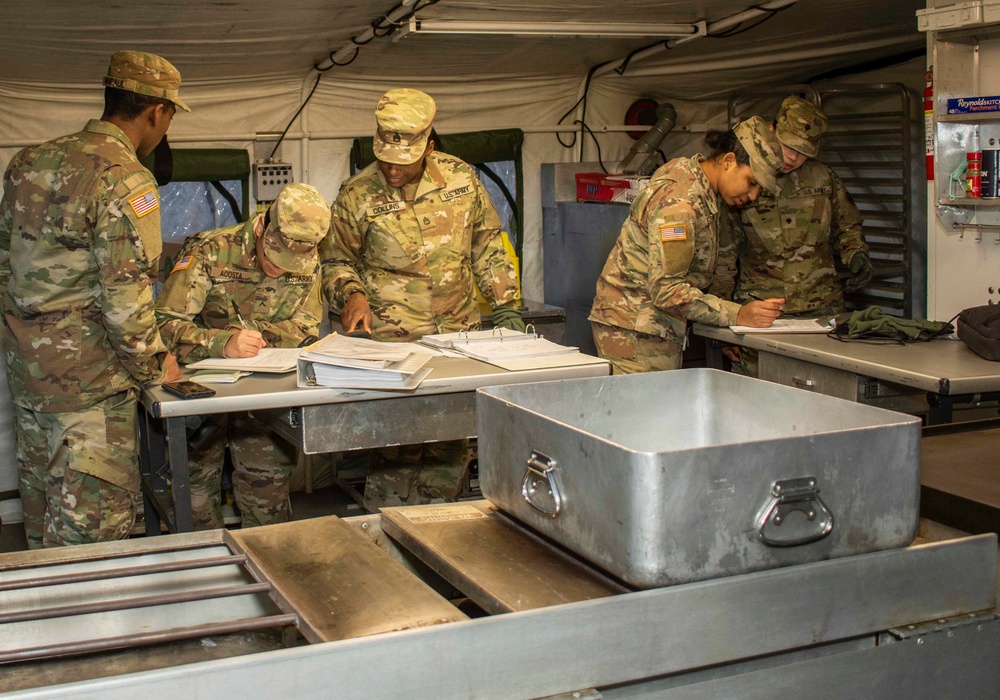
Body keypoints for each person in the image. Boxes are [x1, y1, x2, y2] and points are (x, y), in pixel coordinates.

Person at [0, 50, 187, 548]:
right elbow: (126, 303)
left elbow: (5, 268)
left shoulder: (27, 162)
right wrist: (156, 366)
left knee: (42, 534)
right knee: (92, 542)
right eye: (169, 117)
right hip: (90, 394)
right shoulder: (126, 178)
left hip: (31, 385)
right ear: (156, 112)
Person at [321, 87, 522, 510]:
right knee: (395, 450)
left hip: (458, 338)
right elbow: (334, 260)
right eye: (384, 159)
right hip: (395, 344)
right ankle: (386, 542)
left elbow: (486, 245)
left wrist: (506, 306)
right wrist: (352, 294)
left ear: (429, 146)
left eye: (404, 162)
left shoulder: (461, 179)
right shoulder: (356, 194)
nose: (392, 171)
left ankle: (443, 536)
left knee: (451, 449)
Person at [155, 183, 330, 530]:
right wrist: (221, 342)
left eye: (290, 265)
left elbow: (306, 326)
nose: (279, 270)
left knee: (268, 491)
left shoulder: (308, 261)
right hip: (203, 391)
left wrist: (259, 338)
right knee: (195, 493)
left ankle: (270, 575)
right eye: (273, 258)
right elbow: (164, 324)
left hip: (265, 390)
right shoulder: (211, 251)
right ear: (263, 225)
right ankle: (205, 570)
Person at [588, 116, 785, 375]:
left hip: (646, 323)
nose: (753, 195)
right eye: (751, 182)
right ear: (728, 161)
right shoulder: (680, 204)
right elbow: (667, 291)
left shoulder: (694, 177)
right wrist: (738, 315)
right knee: (650, 413)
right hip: (635, 327)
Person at [723, 97, 871, 376]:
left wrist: (856, 254)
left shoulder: (824, 179)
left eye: (802, 152)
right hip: (761, 315)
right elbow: (723, 255)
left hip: (821, 315)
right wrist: (724, 324)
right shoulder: (744, 177)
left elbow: (848, 225)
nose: (792, 157)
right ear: (771, 130)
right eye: (788, 146)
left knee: (823, 391)